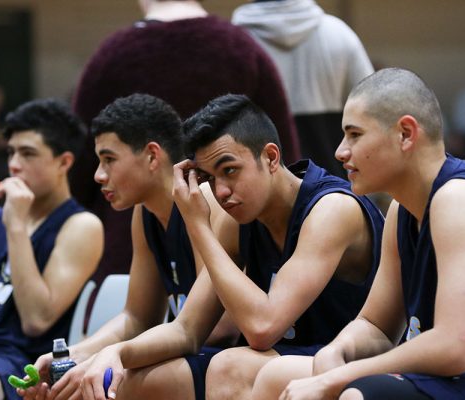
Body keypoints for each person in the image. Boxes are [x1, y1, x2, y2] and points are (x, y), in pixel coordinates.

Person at [68, 93, 382, 400]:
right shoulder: (236, 219)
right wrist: (114, 353)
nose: (220, 191)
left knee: (231, 366)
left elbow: (262, 327)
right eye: (208, 177)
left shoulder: (331, 209)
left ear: (271, 157)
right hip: (281, 359)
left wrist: (198, 226)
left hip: (346, 359)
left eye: (229, 170)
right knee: (129, 379)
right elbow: (187, 330)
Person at [252, 67, 465, 400]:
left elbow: (454, 347)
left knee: (361, 394)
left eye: (355, 135)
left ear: (405, 134)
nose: (340, 151)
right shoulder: (401, 210)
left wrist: (342, 376)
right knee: (276, 376)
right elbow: (376, 325)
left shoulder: (460, 200)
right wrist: (338, 350)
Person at [69, 0, 301, 300]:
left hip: (137, 237)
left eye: (109, 160)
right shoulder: (241, 46)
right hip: (153, 226)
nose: (101, 175)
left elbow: (78, 164)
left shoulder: (111, 54)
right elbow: (287, 151)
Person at [19, 93, 239, 400]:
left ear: (151, 156)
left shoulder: (204, 200)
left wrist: (113, 356)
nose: (98, 175)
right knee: (76, 379)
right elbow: (137, 317)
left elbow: (217, 329)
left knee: (102, 384)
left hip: (227, 358)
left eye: (109, 159)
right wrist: (73, 355)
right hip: (188, 354)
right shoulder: (144, 213)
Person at [0, 99, 104, 400]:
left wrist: (16, 224)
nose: (14, 164)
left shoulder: (80, 225)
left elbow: (36, 319)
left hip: (9, 358)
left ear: (64, 162)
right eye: (11, 152)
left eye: (28, 153)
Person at [232, 0, 373, 177]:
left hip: (262, 184)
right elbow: (372, 111)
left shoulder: (233, 41)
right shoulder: (340, 33)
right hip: (335, 182)